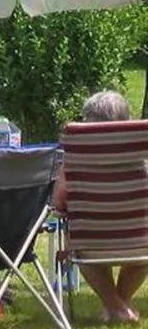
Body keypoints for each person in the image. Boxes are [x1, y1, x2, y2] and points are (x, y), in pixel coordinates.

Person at [53, 90, 144, 323]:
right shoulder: (140, 153)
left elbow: (59, 201)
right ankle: (118, 305)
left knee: (79, 244)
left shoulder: (76, 156)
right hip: (140, 243)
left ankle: (115, 306)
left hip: (91, 241)